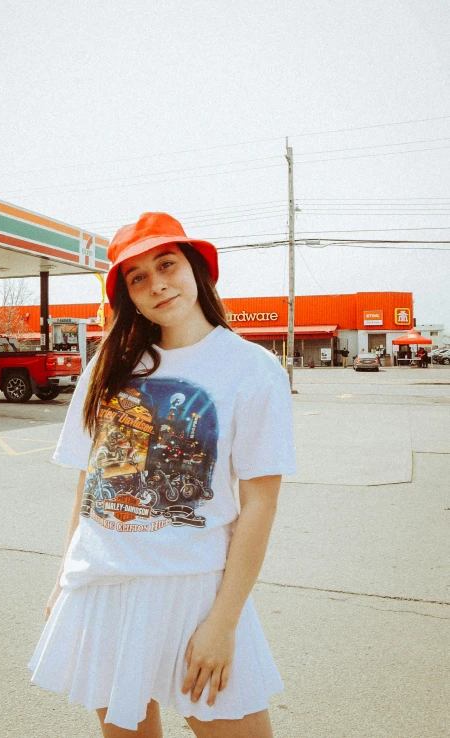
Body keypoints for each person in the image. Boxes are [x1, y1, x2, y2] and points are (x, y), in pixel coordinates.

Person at [27, 212, 297, 737]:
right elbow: (91, 479)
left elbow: (260, 501)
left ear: (195, 268)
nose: (157, 284)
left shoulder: (251, 368)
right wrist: (67, 577)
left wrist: (223, 622)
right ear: (128, 295)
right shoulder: (111, 361)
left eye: (166, 264)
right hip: (104, 583)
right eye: (138, 277)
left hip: (194, 589)